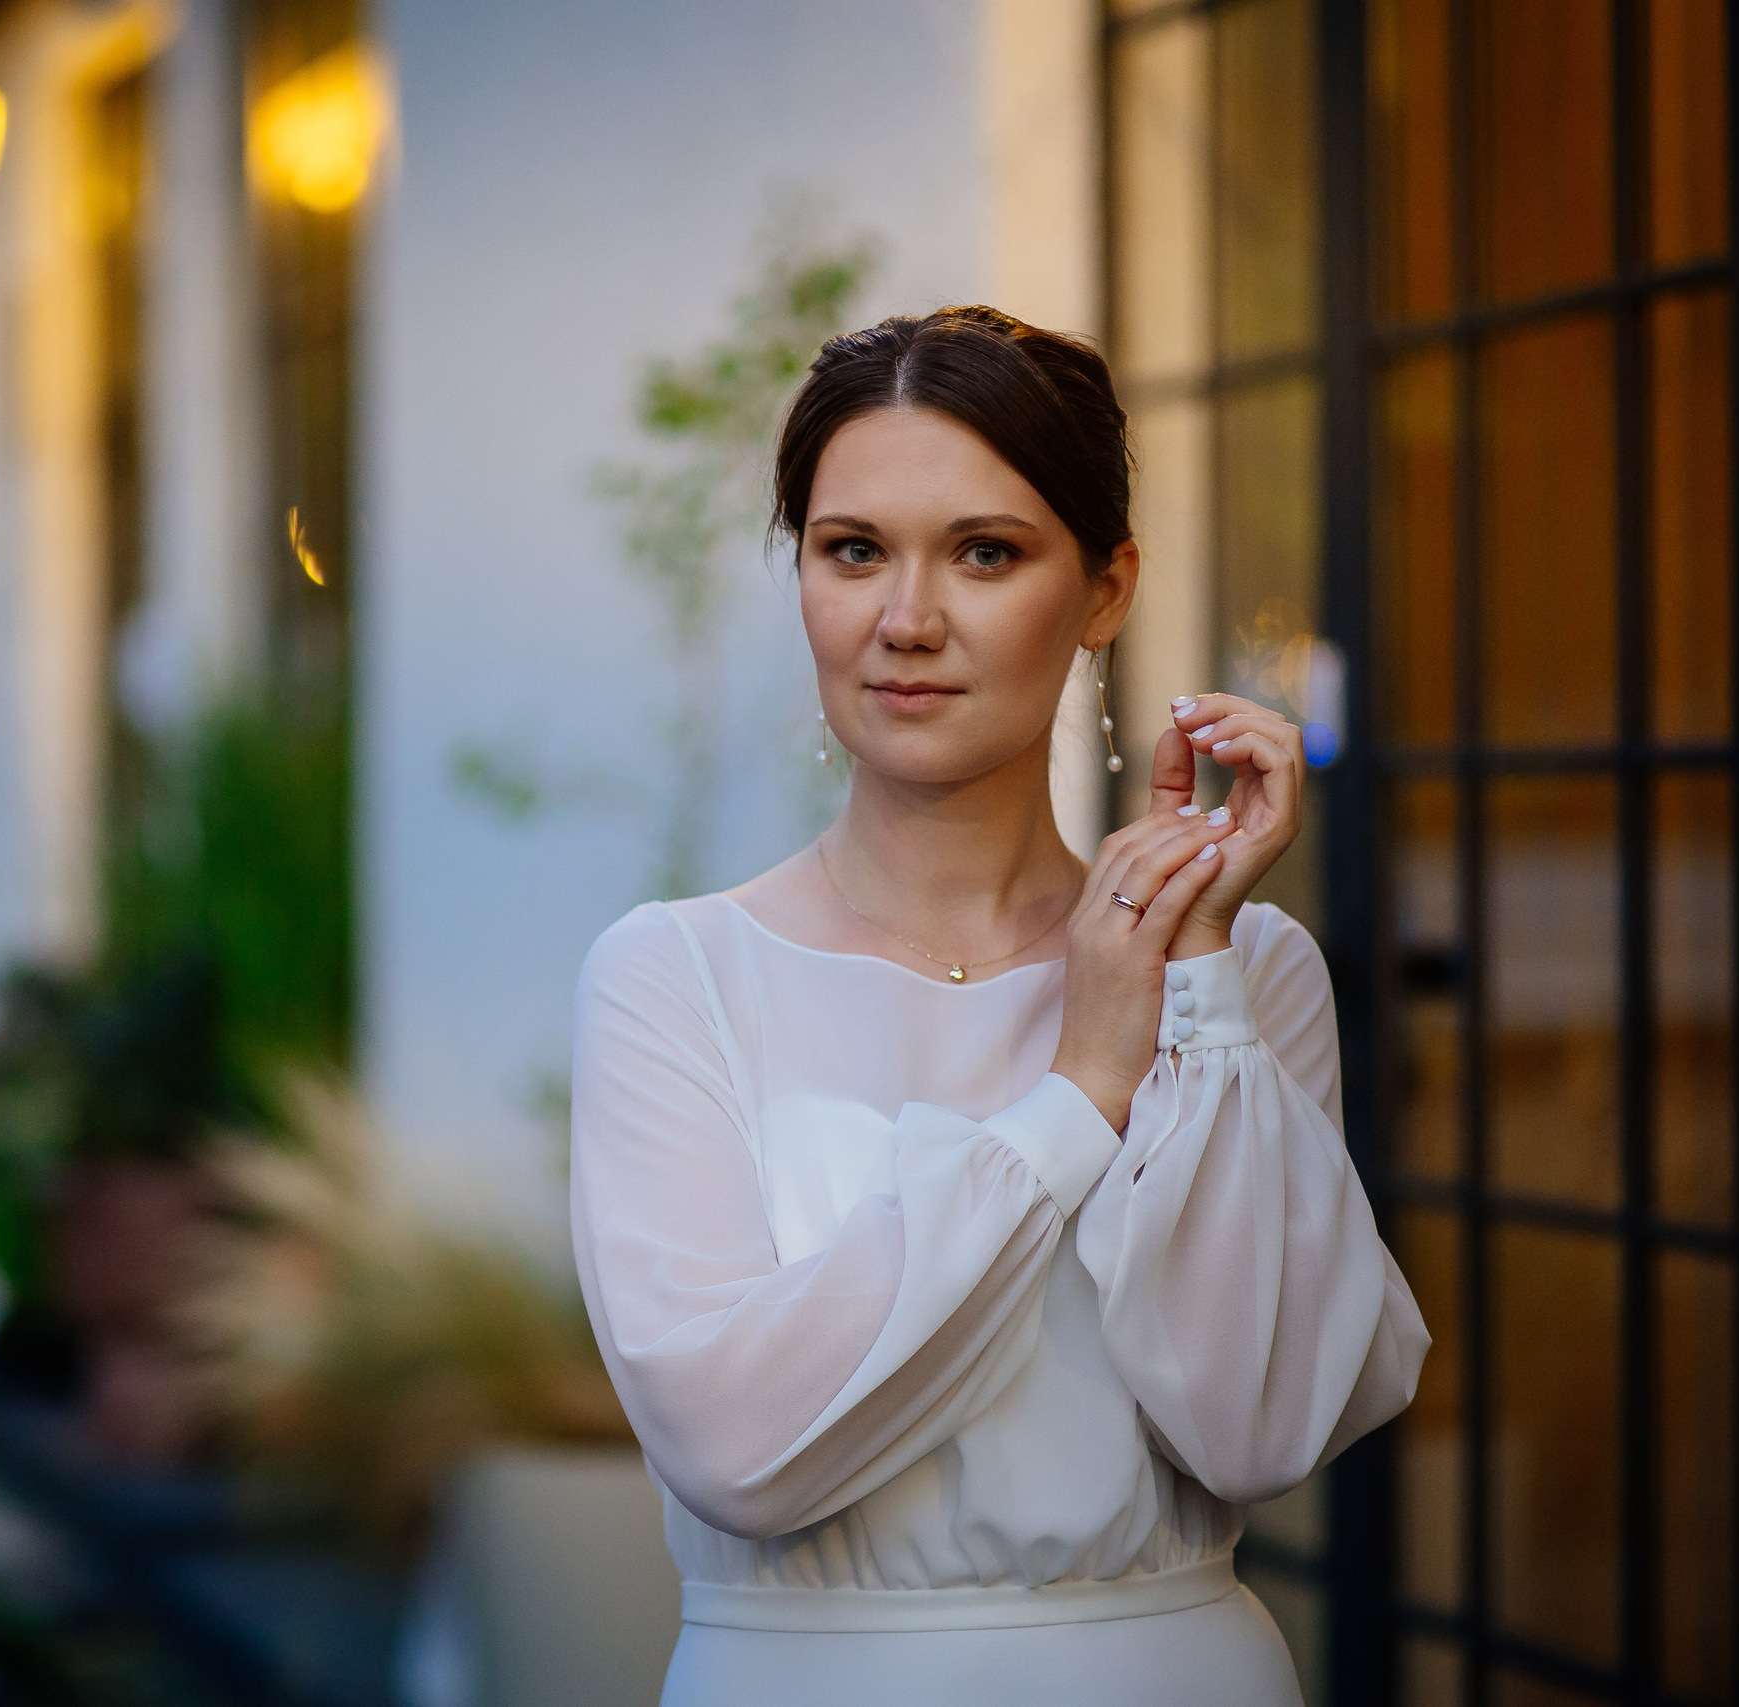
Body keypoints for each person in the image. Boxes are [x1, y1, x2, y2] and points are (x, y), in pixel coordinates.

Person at [568, 306, 1427, 1706]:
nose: (909, 621)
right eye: (855, 552)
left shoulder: (1247, 970)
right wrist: (1082, 1086)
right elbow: (734, 1451)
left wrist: (1191, 983)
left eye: (985, 553)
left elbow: (1261, 1428)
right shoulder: (677, 978)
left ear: (1103, 591)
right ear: (805, 580)